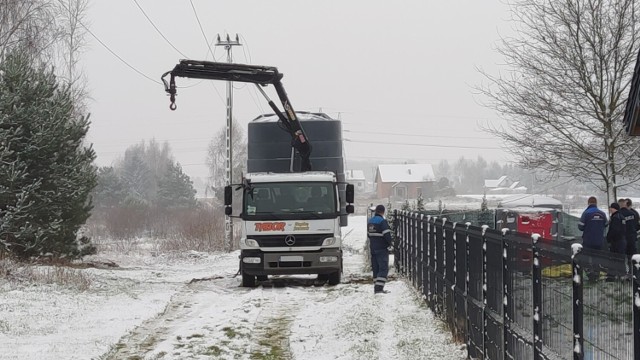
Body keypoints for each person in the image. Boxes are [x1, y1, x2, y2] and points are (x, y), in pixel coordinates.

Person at [578, 197, 607, 281]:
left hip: (588, 240)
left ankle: (590, 274)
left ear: (588, 203)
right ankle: (596, 275)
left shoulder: (586, 213)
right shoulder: (602, 213)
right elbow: (606, 224)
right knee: (596, 258)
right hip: (599, 240)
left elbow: (580, 226)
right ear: (596, 203)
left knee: (585, 258)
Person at [368, 204, 393, 294]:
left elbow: (369, 235)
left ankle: (376, 286)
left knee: (376, 268)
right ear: (383, 211)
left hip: (373, 248)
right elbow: (387, 234)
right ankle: (379, 288)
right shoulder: (382, 221)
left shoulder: (370, 221)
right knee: (383, 268)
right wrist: (390, 243)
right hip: (381, 248)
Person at [607, 202, 627, 281]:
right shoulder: (622, 216)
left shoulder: (615, 217)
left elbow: (614, 230)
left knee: (613, 259)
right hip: (622, 240)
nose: (609, 210)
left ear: (612, 208)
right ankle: (622, 275)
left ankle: (612, 276)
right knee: (621, 259)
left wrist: (608, 238)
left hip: (616, 242)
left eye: (610, 208)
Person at [618, 198, 637, 263]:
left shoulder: (619, 214)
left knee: (622, 259)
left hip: (623, 239)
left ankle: (625, 271)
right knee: (632, 257)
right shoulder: (633, 213)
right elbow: (635, 224)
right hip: (632, 238)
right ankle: (634, 271)